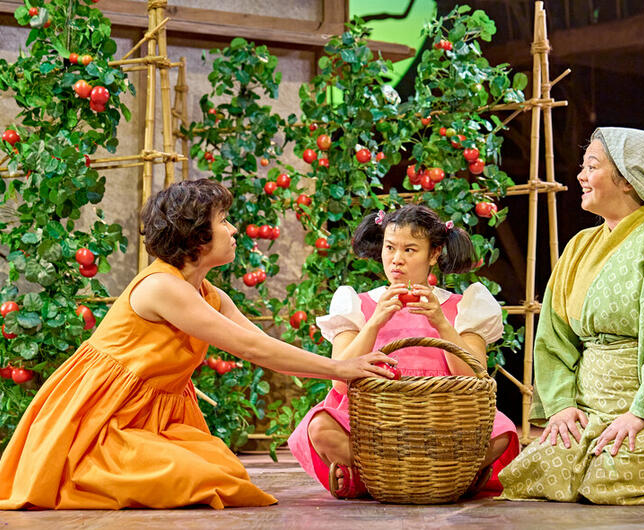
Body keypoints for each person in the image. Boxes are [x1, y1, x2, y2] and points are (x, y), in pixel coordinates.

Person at [0, 178, 396, 510]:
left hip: (151, 415)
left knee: (226, 473)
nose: (234, 230)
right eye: (224, 221)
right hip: (101, 415)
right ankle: (82, 466)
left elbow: (264, 347)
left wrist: (340, 367)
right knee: (195, 480)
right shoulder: (161, 287)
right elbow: (251, 349)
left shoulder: (210, 294)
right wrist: (339, 368)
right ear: (195, 234)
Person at [496, 127, 644, 505]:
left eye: (591, 166)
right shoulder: (579, 246)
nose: (580, 176)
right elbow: (554, 336)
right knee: (539, 472)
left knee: (606, 480)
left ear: (627, 179)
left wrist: (642, 413)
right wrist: (562, 406)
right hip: (595, 408)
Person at [288, 204, 520, 499]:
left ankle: (390, 476)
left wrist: (440, 322)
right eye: (390, 248)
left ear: (434, 254)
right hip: (373, 426)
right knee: (321, 427)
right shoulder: (357, 304)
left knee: (500, 431)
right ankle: (417, 475)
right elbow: (339, 379)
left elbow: (475, 377)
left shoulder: (462, 306)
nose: (396, 260)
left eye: (410, 250)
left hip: (442, 424)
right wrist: (375, 322)